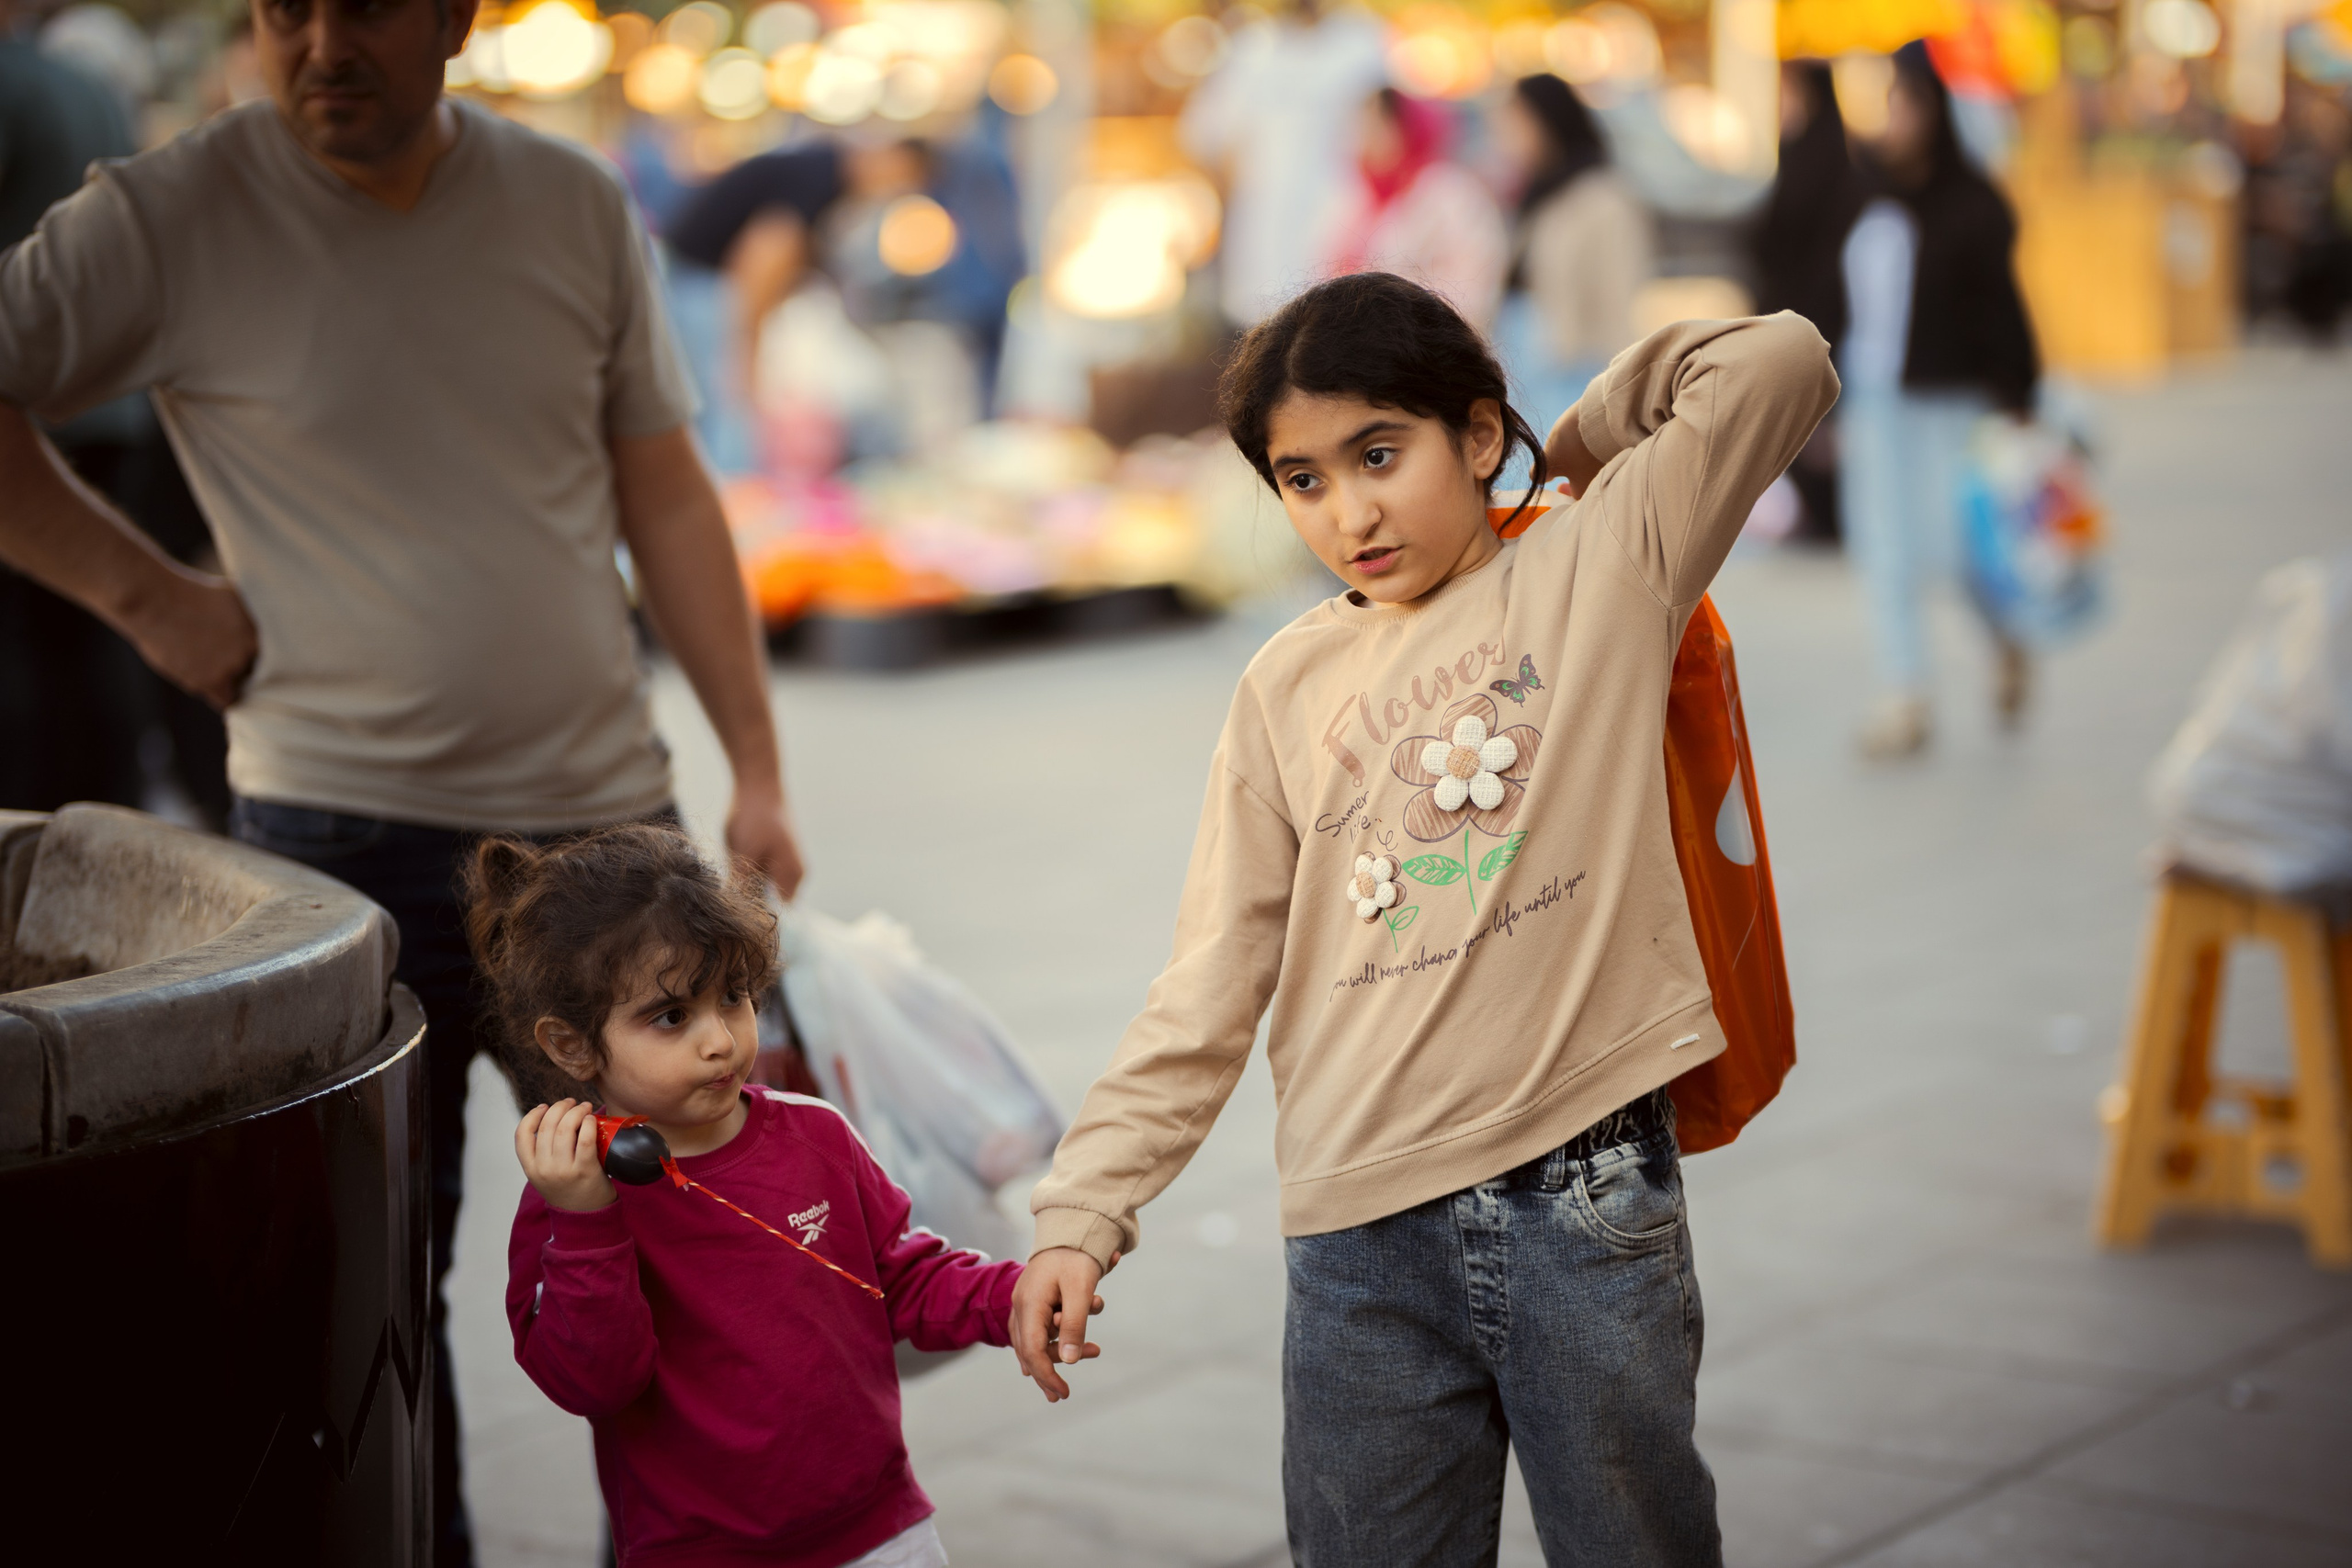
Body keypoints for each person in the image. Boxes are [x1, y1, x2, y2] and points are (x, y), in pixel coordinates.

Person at [0, 0, 805, 1559]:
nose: (319, 44)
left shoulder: (569, 203)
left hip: (607, 832)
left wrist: (756, 766)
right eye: (280, 7)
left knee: (704, 1244)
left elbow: (669, 493)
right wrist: (151, 595)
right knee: (383, 1291)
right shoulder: (164, 216)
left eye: (363, 3)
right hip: (340, 840)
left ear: (451, 17)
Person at [1010, 271, 1838, 1563]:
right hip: (1357, 1239)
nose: (1351, 511)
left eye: (1380, 453)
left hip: (1583, 1196)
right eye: (1304, 479)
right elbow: (1213, 972)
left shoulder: (1601, 562)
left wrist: (1549, 450)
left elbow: (1779, 361)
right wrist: (1084, 1205)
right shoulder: (1284, 683)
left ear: (1471, 432)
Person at [476, 824, 1039, 1568]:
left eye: (734, 996)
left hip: (879, 1530)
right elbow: (594, 1380)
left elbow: (898, 1275)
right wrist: (587, 1224)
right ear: (573, 1044)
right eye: (672, 1015)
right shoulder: (571, 1200)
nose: (720, 1040)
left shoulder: (815, 1136)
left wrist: (1016, 1298)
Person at [1838, 39, 2039, 759]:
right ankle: (1906, 695)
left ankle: (2004, 635)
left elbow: (2003, 310)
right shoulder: (1870, 199)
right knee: (1883, 546)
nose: (1895, 117)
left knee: (1953, 549)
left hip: (1952, 402)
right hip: (1877, 397)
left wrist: (2019, 399)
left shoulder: (1972, 208)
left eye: (1908, 101)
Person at [1179, 0, 1388, 327]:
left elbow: (1395, 134)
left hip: (1345, 235)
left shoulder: (1362, 43)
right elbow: (1205, 139)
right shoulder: (1249, 50)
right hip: (1262, 241)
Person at [1491, 73, 1651, 447]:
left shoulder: (1605, 197)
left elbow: (1618, 295)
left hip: (1575, 368)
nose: (1508, 135)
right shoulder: (1538, 191)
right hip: (1524, 363)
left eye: (1518, 120)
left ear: (1548, 120)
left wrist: (1621, 394)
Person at [1748, 59, 1866, 545]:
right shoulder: (1799, 155)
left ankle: (1832, 517)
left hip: (1818, 315)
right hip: (1793, 314)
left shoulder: (1827, 164)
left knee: (1818, 423)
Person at [1328, 88, 1510, 329]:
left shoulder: (1449, 192)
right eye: (1365, 125)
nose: (1368, 137)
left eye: (1380, 124)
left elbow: (1476, 280)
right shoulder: (1355, 197)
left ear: (1408, 128)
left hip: (1419, 345)